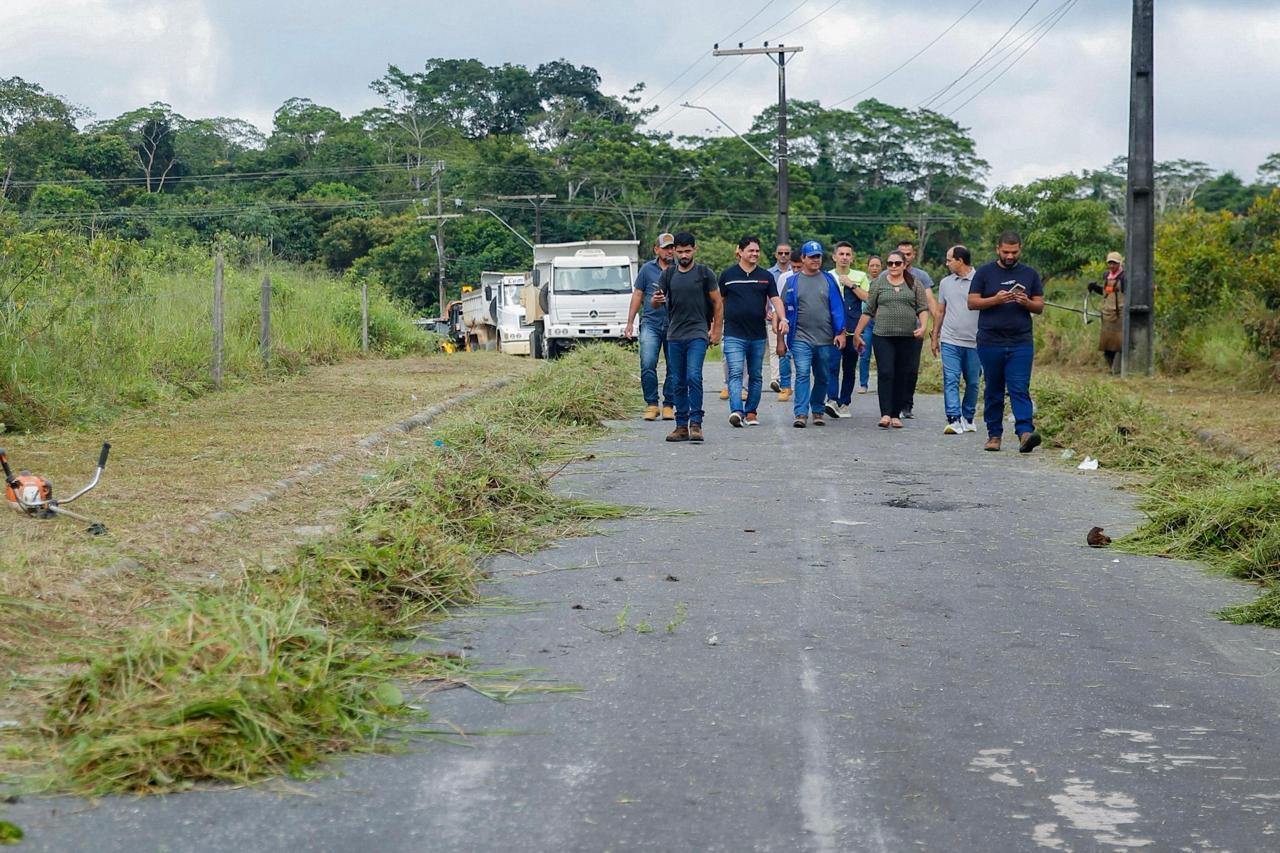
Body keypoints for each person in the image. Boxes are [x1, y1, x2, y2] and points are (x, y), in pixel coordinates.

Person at [967, 230, 1044, 453]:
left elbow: (1039, 306)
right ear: (997, 249)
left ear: (1020, 250)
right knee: (994, 388)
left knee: (1019, 387)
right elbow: (972, 302)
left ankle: (1025, 433)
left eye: (1014, 252)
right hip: (990, 341)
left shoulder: (1030, 274)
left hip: (1021, 342)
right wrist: (996, 299)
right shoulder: (984, 272)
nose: (1010, 256)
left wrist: (1026, 302)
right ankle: (994, 435)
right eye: (1006, 252)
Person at [653, 232, 723, 443]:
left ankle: (696, 423)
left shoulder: (704, 273)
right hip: (674, 334)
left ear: (695, 249)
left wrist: (716, 330)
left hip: (697, 333)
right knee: (678, 380)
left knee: (694, 376)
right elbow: (655, 303)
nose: (684, 255)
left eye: (688, 251)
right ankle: (681, 425)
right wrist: (656, 300)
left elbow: (718, 303)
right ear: (674, 251)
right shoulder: (668, 274)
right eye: (680, 251)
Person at [853, 250, 929, 429]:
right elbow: (868, 310)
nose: (893, 266)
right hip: (883, 335)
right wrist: (857, 333)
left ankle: (896, 414)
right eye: (890, 263)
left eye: (897, 263)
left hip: (907, 336)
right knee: (886, 372)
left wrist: (923, 326)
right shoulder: (879, 283)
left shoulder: (914, 283)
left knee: (902, 373)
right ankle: (885, 413)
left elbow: (922, 308)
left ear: (904, 265)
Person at [718, 236, 788, 427]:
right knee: (735, 373)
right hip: (733, 333)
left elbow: (775, 299)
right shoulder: (728, 275)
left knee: (755, 375)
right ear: (740, 252)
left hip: (757, 335)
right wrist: (714, 326)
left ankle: (751, 412)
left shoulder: (766, 276)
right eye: (751, 250)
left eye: (757, 251)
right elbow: (719, 302)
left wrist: (783, 318)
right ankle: (736, 411)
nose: (755, 254)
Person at [779, 241, 846, 428]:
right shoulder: (792, 282)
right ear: (803, 258)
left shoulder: (829, 280)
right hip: (800, 337)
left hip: (825, 339)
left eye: (818, 256)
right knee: (802, 373)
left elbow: (837, 308)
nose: (816, 260)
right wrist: (780, 340)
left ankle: (817, 409)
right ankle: (801, 413)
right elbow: (781, 310)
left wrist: (840, 332)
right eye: (811, 257)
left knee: (823, 375)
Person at [625, 233, 676, 421]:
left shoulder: (680, 269)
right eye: (666, 248)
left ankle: (669, 404)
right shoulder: (647, 269)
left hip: (674, 324)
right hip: (651, 323)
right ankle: (652, 404)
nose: (669, 251)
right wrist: (630, 322)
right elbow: (638, 295)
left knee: (674, 366)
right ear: (657, 249)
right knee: (647, 363)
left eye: (672, 247)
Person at [931, 245, 981, 434]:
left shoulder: (981, 280)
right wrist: (935, 336)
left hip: (975, 341)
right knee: (951, 379)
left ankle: (968, 416)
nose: (947, 263)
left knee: (973, 382)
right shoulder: (945, 283)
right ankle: (953, 418)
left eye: (949, 260)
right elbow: (940, 311)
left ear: (960, 260)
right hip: (950, 339)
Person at [824, 241, 870, 419]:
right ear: (834, 257)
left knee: (849, 368)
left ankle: (844, 403)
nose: (844, 257)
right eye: (841, 254)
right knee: (832, 365)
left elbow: (868, 298)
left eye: (847, 254)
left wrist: (851, 284)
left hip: (853, 329)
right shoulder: (827, 276)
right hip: (833, 330)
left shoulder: (860, 276)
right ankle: (832, 400)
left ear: (852, 258)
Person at [893, 239, 936, 419]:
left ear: (913, 255)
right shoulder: (886, 275)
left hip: (914, 329)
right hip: (892, 330)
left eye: (908, 254)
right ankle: (891, 404)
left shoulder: (921, 276)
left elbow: (929, 300)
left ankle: (907, 404)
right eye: (901, 254)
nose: (905, 257)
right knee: (891, 368)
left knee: (911, 368)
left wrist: (937, 325)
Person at [1088, 251, 1125, 373]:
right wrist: (1094, 288)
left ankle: (1117, 370)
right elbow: (1106, 292)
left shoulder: (1124, 277)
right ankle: (1112, 369)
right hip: (1107, 314)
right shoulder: (1106, 276)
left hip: (1119, 315)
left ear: (1119, 264)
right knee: (1107, 346)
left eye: (1114, 263)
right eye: (1110, 263)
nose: (1112, 266)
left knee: (1118, 345)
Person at [767, 243, 796, 401]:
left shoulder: (807, 274)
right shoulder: (776, 275)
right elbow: (775, 300)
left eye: (786, 253)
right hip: (781, 319)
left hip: (801, 322)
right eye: (780, 253)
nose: (783, 256)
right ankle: (781, 382)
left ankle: (796, 385)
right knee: (780, 352)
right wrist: (773, 317)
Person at [857, 255, 882, 394]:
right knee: (864, 354)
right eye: (872, 265)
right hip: (866, 322)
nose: (874, 268)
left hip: (881, 322)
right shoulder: (863, 282)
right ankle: (863, 384)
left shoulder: (885, 281)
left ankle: (882, 384)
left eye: (877, 265)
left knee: (881, 355)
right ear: (868, 267)